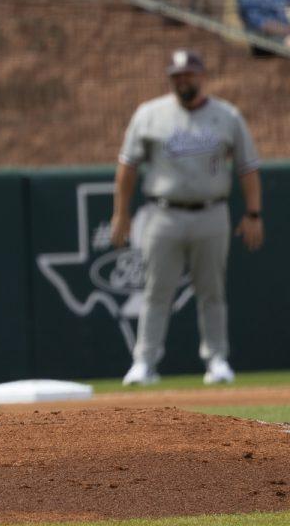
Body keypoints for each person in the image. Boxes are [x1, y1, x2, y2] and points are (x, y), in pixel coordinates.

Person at [111, 49, 263, 386]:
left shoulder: (227, 115)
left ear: (202, 76)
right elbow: (127, 167)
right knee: (155, 291)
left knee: (212, 290)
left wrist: (253, 213)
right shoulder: (150, 114)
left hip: (211, 211)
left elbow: (247, 168)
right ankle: (144, 363)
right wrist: (121, 213)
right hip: (163, 212)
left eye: (189, 75)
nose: (183, 81)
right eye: (177, 76)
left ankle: (217, 360)